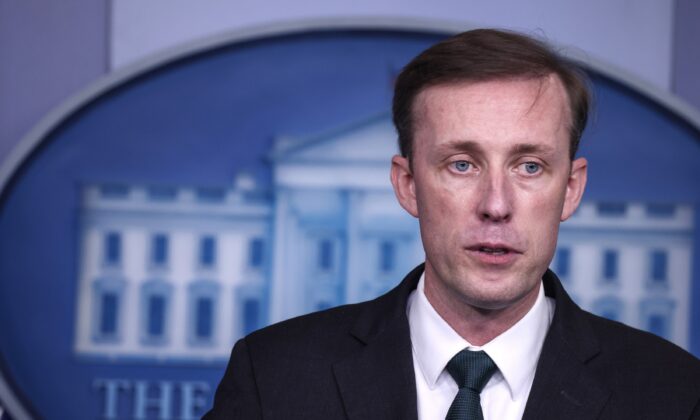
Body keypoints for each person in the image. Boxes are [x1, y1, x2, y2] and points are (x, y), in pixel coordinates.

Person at [204, 29, 700, 420]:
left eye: (529, 166)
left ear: (570, 188)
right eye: (462, 164)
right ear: (408, 185)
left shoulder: (674, 393)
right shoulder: (274, 378)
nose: (496, 205)